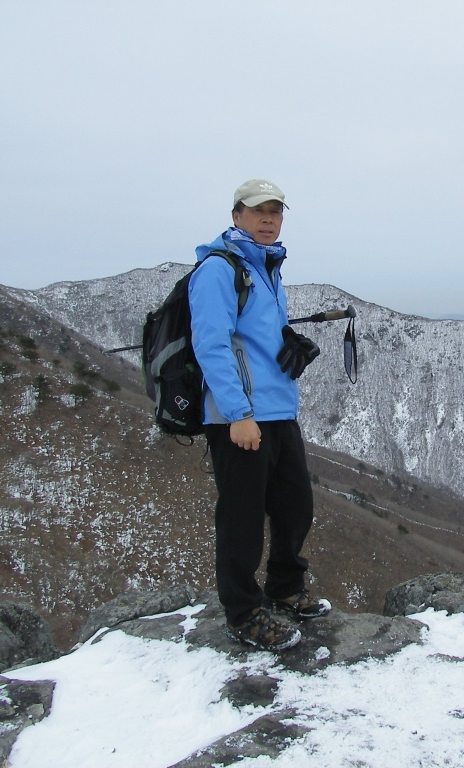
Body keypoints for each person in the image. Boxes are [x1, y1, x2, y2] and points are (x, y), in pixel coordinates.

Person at [188, 179, 330, 652]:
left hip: (277, 410)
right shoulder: (217, 270)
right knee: (242, 518)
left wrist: (289, 341)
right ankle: (243, 611)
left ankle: (284, 589)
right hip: (240, 417)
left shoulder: (268, 269)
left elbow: (253, 338)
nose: (268, 219)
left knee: (295, 508)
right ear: (237, 217)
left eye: (276, 211)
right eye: (258, 211)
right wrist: (237, 413)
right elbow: (212, 345)